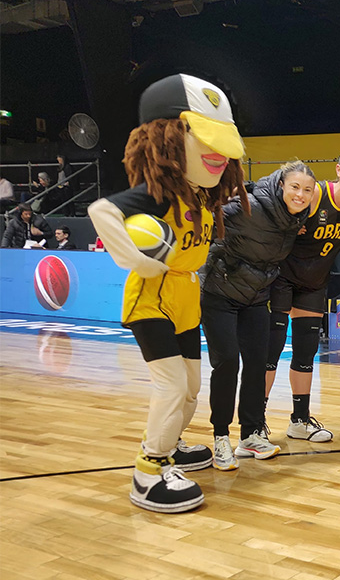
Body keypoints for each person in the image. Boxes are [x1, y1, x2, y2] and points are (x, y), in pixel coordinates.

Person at [86, 73, 248, 513]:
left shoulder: (201, 198)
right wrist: (136, 260)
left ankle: (171, 445)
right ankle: (147, 471)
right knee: (172, 385)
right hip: (151, 297)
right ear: (170, 140)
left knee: (192, 386)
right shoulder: (157, 196)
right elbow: (101, 212)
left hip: (185, 298)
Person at [202, 162, 316, 471]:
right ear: (281, 185)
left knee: (257, 365)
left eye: (307, 190)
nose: (300, 194)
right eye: (295, 187)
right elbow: (207, 221)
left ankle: (250, 434)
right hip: (219, 293)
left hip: (255, 298)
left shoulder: (295, 218)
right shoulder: (247, 206)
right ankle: (221, 436)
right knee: (227, 362)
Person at [263, 151, 340, 443]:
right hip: (283, 278)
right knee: (270, 352)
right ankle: (255, 423)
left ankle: (299, 419)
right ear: (338, 169)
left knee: (305, 352)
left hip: (313, 283)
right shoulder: (314, 195)